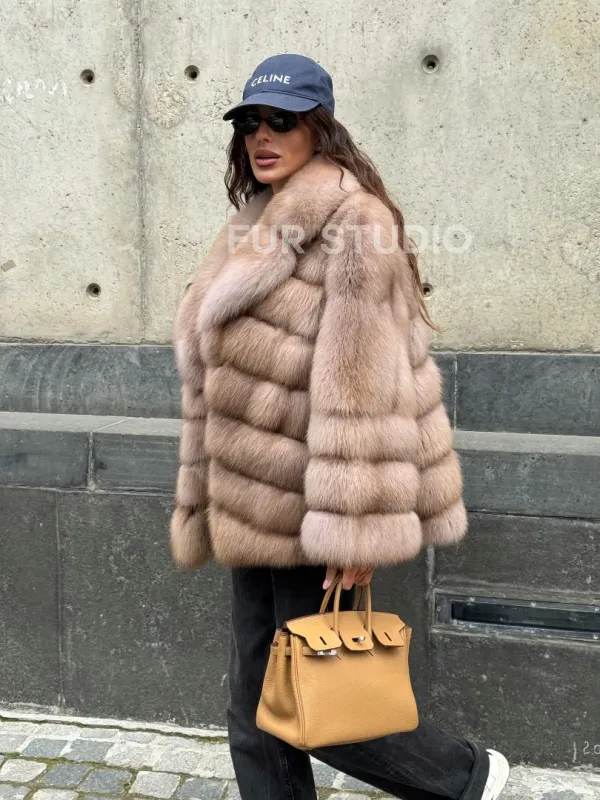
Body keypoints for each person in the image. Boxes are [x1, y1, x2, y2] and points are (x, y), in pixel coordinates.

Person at [169, 53, 510, 800]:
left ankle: (467, 777)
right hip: (248, 506)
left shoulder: (356, 225)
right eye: (250, 122)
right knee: (253, 712)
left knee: (329, 715)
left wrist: (355, 531)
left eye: (281, 120)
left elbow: (366, 391)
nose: (262, 136)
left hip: (317, 509)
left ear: (319, 128)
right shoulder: (252, 226)